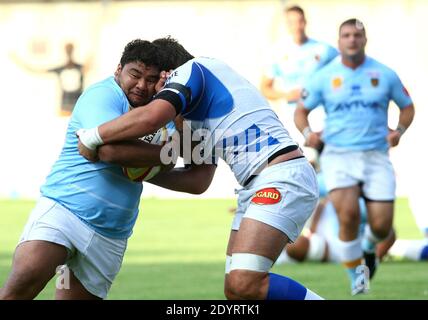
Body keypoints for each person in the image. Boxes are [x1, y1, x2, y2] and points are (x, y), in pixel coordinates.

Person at [77, 37, 323, 300]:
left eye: (155, 83)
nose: (151, 92)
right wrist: (142, 172)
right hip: (259, 182)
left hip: (281, 176)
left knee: (245, 283)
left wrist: (92, 136)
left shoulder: (193, 69)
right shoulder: (194, 116)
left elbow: (151, 119)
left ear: (168, 75)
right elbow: (198, 180)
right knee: (237, 291)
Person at [0, 39, 173, 300]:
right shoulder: (102, 94)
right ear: (118, 70)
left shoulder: (162, 112)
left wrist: (164, 157)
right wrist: (166, 156)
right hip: (64, 214)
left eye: (150, 79)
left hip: (110, 235)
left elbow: (191, 176)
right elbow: (108, 150)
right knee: (21, 289)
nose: (141, 85)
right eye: (135, 75)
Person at [294, 19, 415, 295]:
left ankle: (369, 248)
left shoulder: (384, 74)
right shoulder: (324, 76)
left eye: (357, 35)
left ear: (365, 40)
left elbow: (407, 107)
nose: (352, 39)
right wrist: (308, 132)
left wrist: (399, 131)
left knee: (382, 227)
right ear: (339, 42)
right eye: (346, 35)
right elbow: (301, 110)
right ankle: (357, 278)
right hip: (338, 156)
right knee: (347, 215)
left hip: (375, 156)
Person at [260, 5, 337, 146]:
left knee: (322, 159)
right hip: (291, 117)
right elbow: (265, 88)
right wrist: (286, 95)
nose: (297, 26)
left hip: (320, 116)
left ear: (305, 22)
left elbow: (344, 72)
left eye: (300, 21)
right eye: (292, 22)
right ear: (287, 25)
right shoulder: (278, 52)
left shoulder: (324, 49)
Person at [12, 42, 89, 117]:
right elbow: (37, 70)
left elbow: (37, 70)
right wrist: (18, 62)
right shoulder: (65, 68)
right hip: (65, 107)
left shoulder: (80, 68)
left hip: (77, 107)